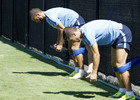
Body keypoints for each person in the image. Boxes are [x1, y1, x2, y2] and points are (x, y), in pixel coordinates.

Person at [63, 19, 135, 100]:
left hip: (122, 33)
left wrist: (94, 73)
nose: (72, 42)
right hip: (115, 39)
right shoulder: (82, 35)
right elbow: (90, 53)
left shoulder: (87, 33)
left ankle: (130, 94)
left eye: (71, 40)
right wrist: (90, 69)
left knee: (120, 65)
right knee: (114, 64)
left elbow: (96, 54)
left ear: (74, 34)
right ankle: (122, 90)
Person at [30, 7, 90, 79]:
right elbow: (60, 29)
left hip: (76, 22)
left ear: (38, 14)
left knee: (75, 48)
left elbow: (62, 28)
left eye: (35, 19)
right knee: (70, 48)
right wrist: (58, 42)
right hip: (70, 27)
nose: (36, 21)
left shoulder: (50, 16)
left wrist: (60, 45)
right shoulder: (48, 18)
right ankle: (77, 71)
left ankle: (82, 72)